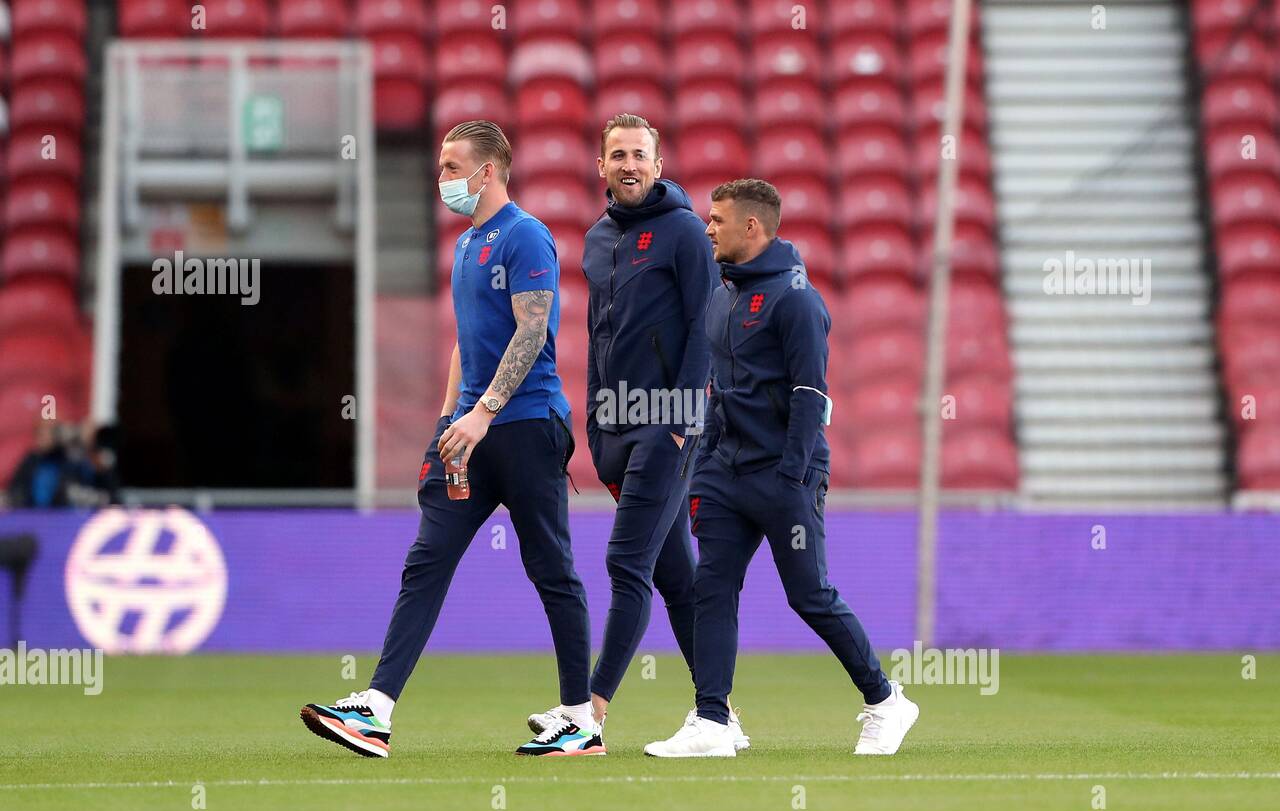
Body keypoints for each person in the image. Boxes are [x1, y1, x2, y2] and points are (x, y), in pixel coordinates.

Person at [301, 121, 601, 759]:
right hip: (467, 432)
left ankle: (580, 718)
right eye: (441, 166)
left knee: (551, 570)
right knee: (426, 562)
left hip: (525, 428)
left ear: (487, 171)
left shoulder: (527, 236)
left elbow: (532, 330)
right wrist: (445, 422)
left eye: (451, 166)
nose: (443, 178)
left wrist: (485, 412)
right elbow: (472, 341)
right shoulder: (467, 246)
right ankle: (376, 711)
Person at [644, 179, 920, 758]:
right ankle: (713, 722)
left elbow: (808, 396)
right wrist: (707, 466)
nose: (707, 227)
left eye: (716, 219)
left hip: (784, 475)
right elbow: (720, 390)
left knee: (809, 594)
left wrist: (790, 476)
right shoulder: (722, 296)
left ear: (752, 227)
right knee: (711, 587)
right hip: (726, 474)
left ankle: (885, 701)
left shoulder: (797, 300)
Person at [526, 113, 749, 751]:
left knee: (627, 562)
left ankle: (589, 714)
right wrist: (597, 429)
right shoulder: (598, 239)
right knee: (676, 579)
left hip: (669, 426)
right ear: (600, 166)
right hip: (618, 428)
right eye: (617, 154)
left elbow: (710, 324)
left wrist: (681, 419)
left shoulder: (683, 231)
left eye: (639, 155)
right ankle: (720, 714)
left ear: (658, 164)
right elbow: (599, 341)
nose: (628, 165)